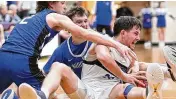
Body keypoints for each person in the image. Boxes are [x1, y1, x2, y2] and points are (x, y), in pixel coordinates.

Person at [0, 1, 135, 98]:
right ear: (51, 4)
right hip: (23, 61)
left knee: (24, 87)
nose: (64, 6)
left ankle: (11, 95)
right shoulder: (55, 16)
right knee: (46, 93)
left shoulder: (29, 18)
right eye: (63, 3)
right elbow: (84, 33)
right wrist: (117, 44)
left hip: (2, 57)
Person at [18, 16, 148, 99]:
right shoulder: (64, 49)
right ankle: (41, 96)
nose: (84, 25)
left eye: (86, 21)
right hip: (86, 90)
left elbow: (137, 67)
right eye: (79, 22)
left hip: (109, 91)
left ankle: (151, 93)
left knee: (126, 87)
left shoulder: (103, 42)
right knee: (57, 68)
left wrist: (137, 69)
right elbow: (45, 73)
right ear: (70, 28)